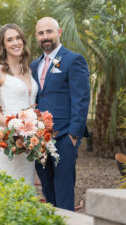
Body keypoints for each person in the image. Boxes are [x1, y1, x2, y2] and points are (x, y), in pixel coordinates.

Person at [30, 17, 90, 211]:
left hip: (64, 136)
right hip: (38, 139)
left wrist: (73, 136)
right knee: (47, 190)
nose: (45, 37)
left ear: (59, 33)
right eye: (41, 33)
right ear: (36, 36)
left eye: (49, 32)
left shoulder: (74, 60)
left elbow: (81, 99)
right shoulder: (33, 65)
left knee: (63, 192)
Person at [0, 23, 38, 185]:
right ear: (3, 45)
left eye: (18, 38)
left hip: (28, 139)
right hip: (6, 137)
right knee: (4, 186)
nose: (15, 43)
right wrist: (12, 123)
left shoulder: (28, 70)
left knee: (25, 185)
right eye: (10, 40)